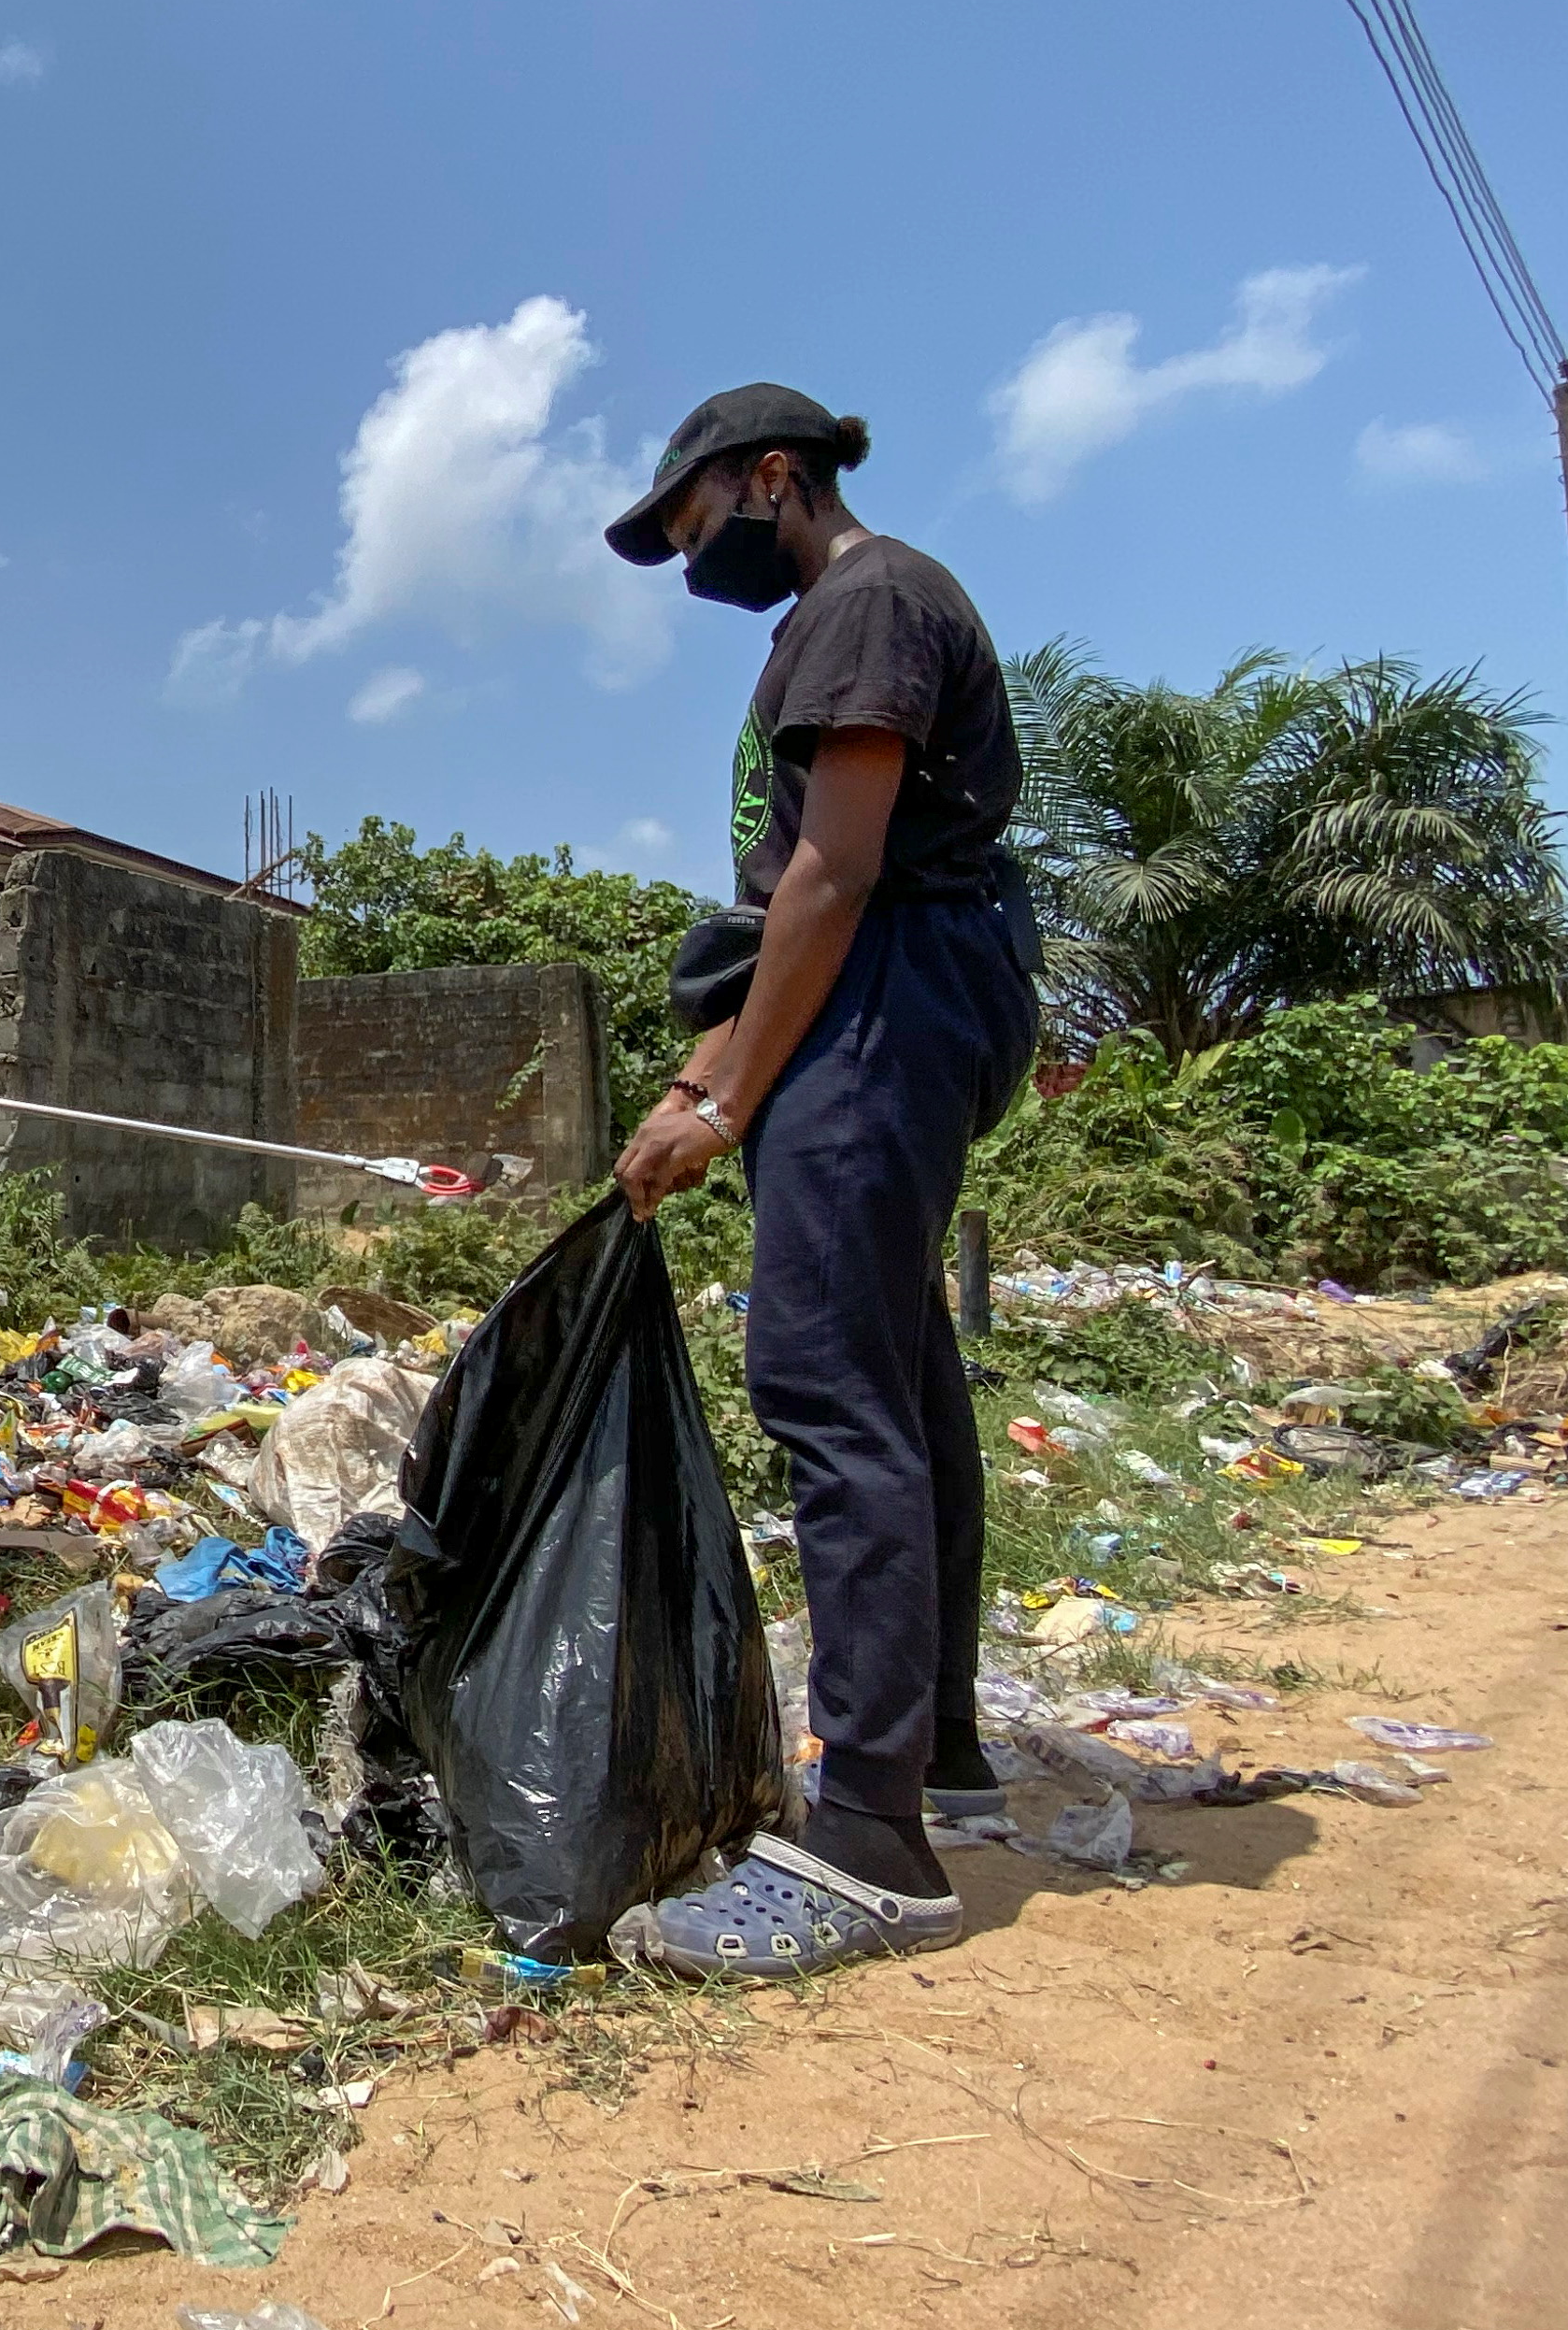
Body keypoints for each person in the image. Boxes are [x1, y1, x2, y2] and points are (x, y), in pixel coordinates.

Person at [594, 383, 1041, 1979]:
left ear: (769, 479)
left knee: (825, 1380)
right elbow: (795, 895)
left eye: (692, 522)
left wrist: (719, 1107)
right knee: (902, 1379)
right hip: (896, 992)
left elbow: (832, 874)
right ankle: (937, 1757)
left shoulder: (863, 602)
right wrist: (695, 1078)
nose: (687, 555)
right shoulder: (857, 608)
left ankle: (866, 1842)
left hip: (886, 997)